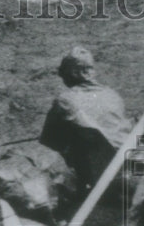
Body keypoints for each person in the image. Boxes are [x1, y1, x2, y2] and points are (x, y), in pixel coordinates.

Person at [39, 45, 133, 192]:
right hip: (124, 160)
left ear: (74, 73)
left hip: (98, 169)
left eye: (64, 74)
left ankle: (81, 185)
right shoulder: (112, 94)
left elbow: (47, 140)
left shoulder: (65, 99)